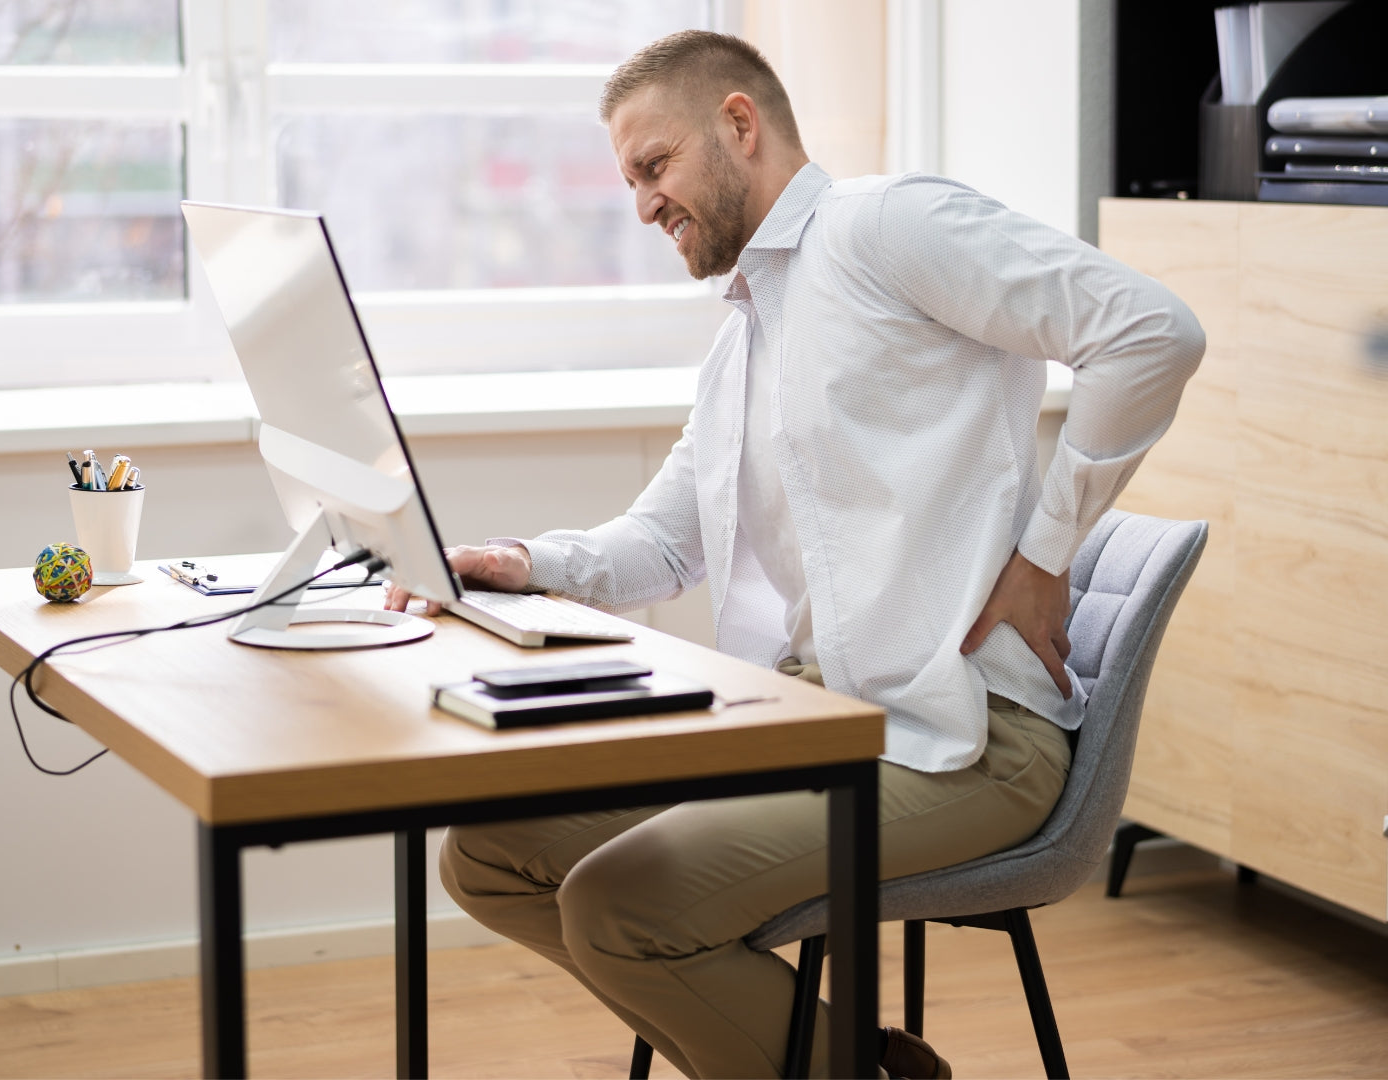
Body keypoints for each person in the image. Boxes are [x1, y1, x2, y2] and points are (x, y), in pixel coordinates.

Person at [385, 29, 1204, 1080]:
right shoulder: (745, 336)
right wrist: (520, 561)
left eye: (654, 166)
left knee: (619, 904)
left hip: (965, 739)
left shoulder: (888, 225)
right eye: (630, 179)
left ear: (739, 124)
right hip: (823, 727)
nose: (642, 205)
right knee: (489, 851)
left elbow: (1151, 329)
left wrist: (1047, 554)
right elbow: (663, 540)